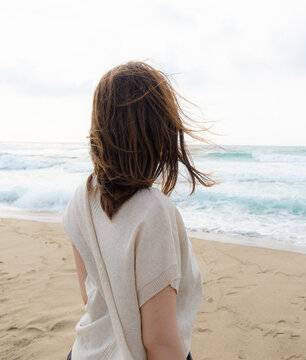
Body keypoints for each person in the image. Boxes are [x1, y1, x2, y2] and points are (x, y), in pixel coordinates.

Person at [62, 61, 218, 359]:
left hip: (85, 351)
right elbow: (159, 341)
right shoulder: (152, 212)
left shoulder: (81, 196)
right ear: (158, 130)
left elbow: (90, 294)